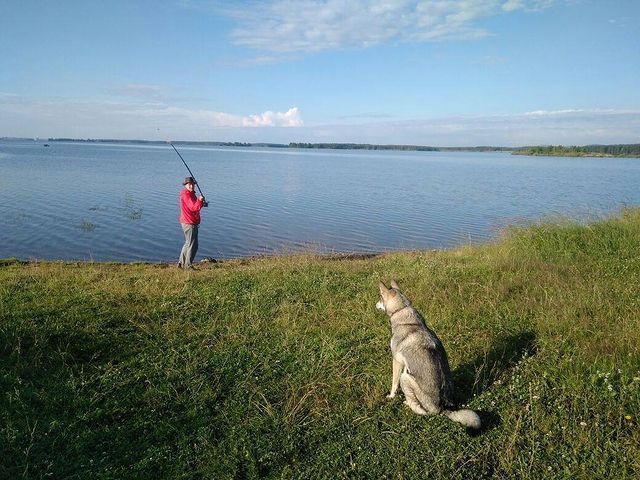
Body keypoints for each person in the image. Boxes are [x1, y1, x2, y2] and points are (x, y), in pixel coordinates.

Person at [178, 176, 205, 269]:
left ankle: (181, 264)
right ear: (185, 185)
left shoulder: (189, 193)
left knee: (188, 243)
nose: (192, 186)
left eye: (193, 184)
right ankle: (188, 266)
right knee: (193, 245)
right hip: (189, 222)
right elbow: (193, 207)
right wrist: (200, 200)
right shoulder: (186, 194)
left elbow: (195, 206)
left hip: (187, 221)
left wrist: (201, 203)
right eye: (189, 184)